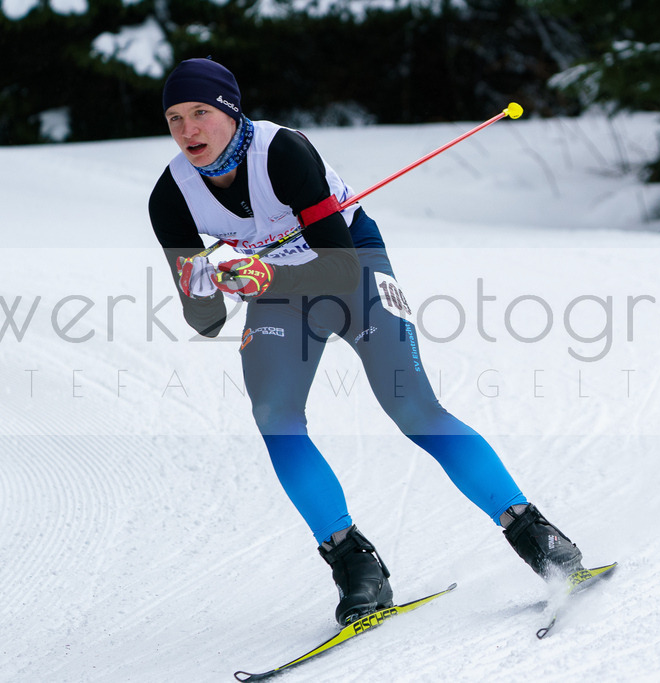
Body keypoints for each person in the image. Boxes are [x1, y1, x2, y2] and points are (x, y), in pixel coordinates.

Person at [148, 58, 584, 625]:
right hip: (279, 292)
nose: (188, 132)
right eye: (175, 119)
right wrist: (215, 276)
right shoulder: (171, 196)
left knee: (413, 407)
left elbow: (337, 273)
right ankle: (355, 566)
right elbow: (203, 319)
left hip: (353, 269)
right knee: (274, 415)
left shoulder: (283, 155)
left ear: (230, 112)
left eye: (201, 113)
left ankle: (537, 535)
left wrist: (264, 276)